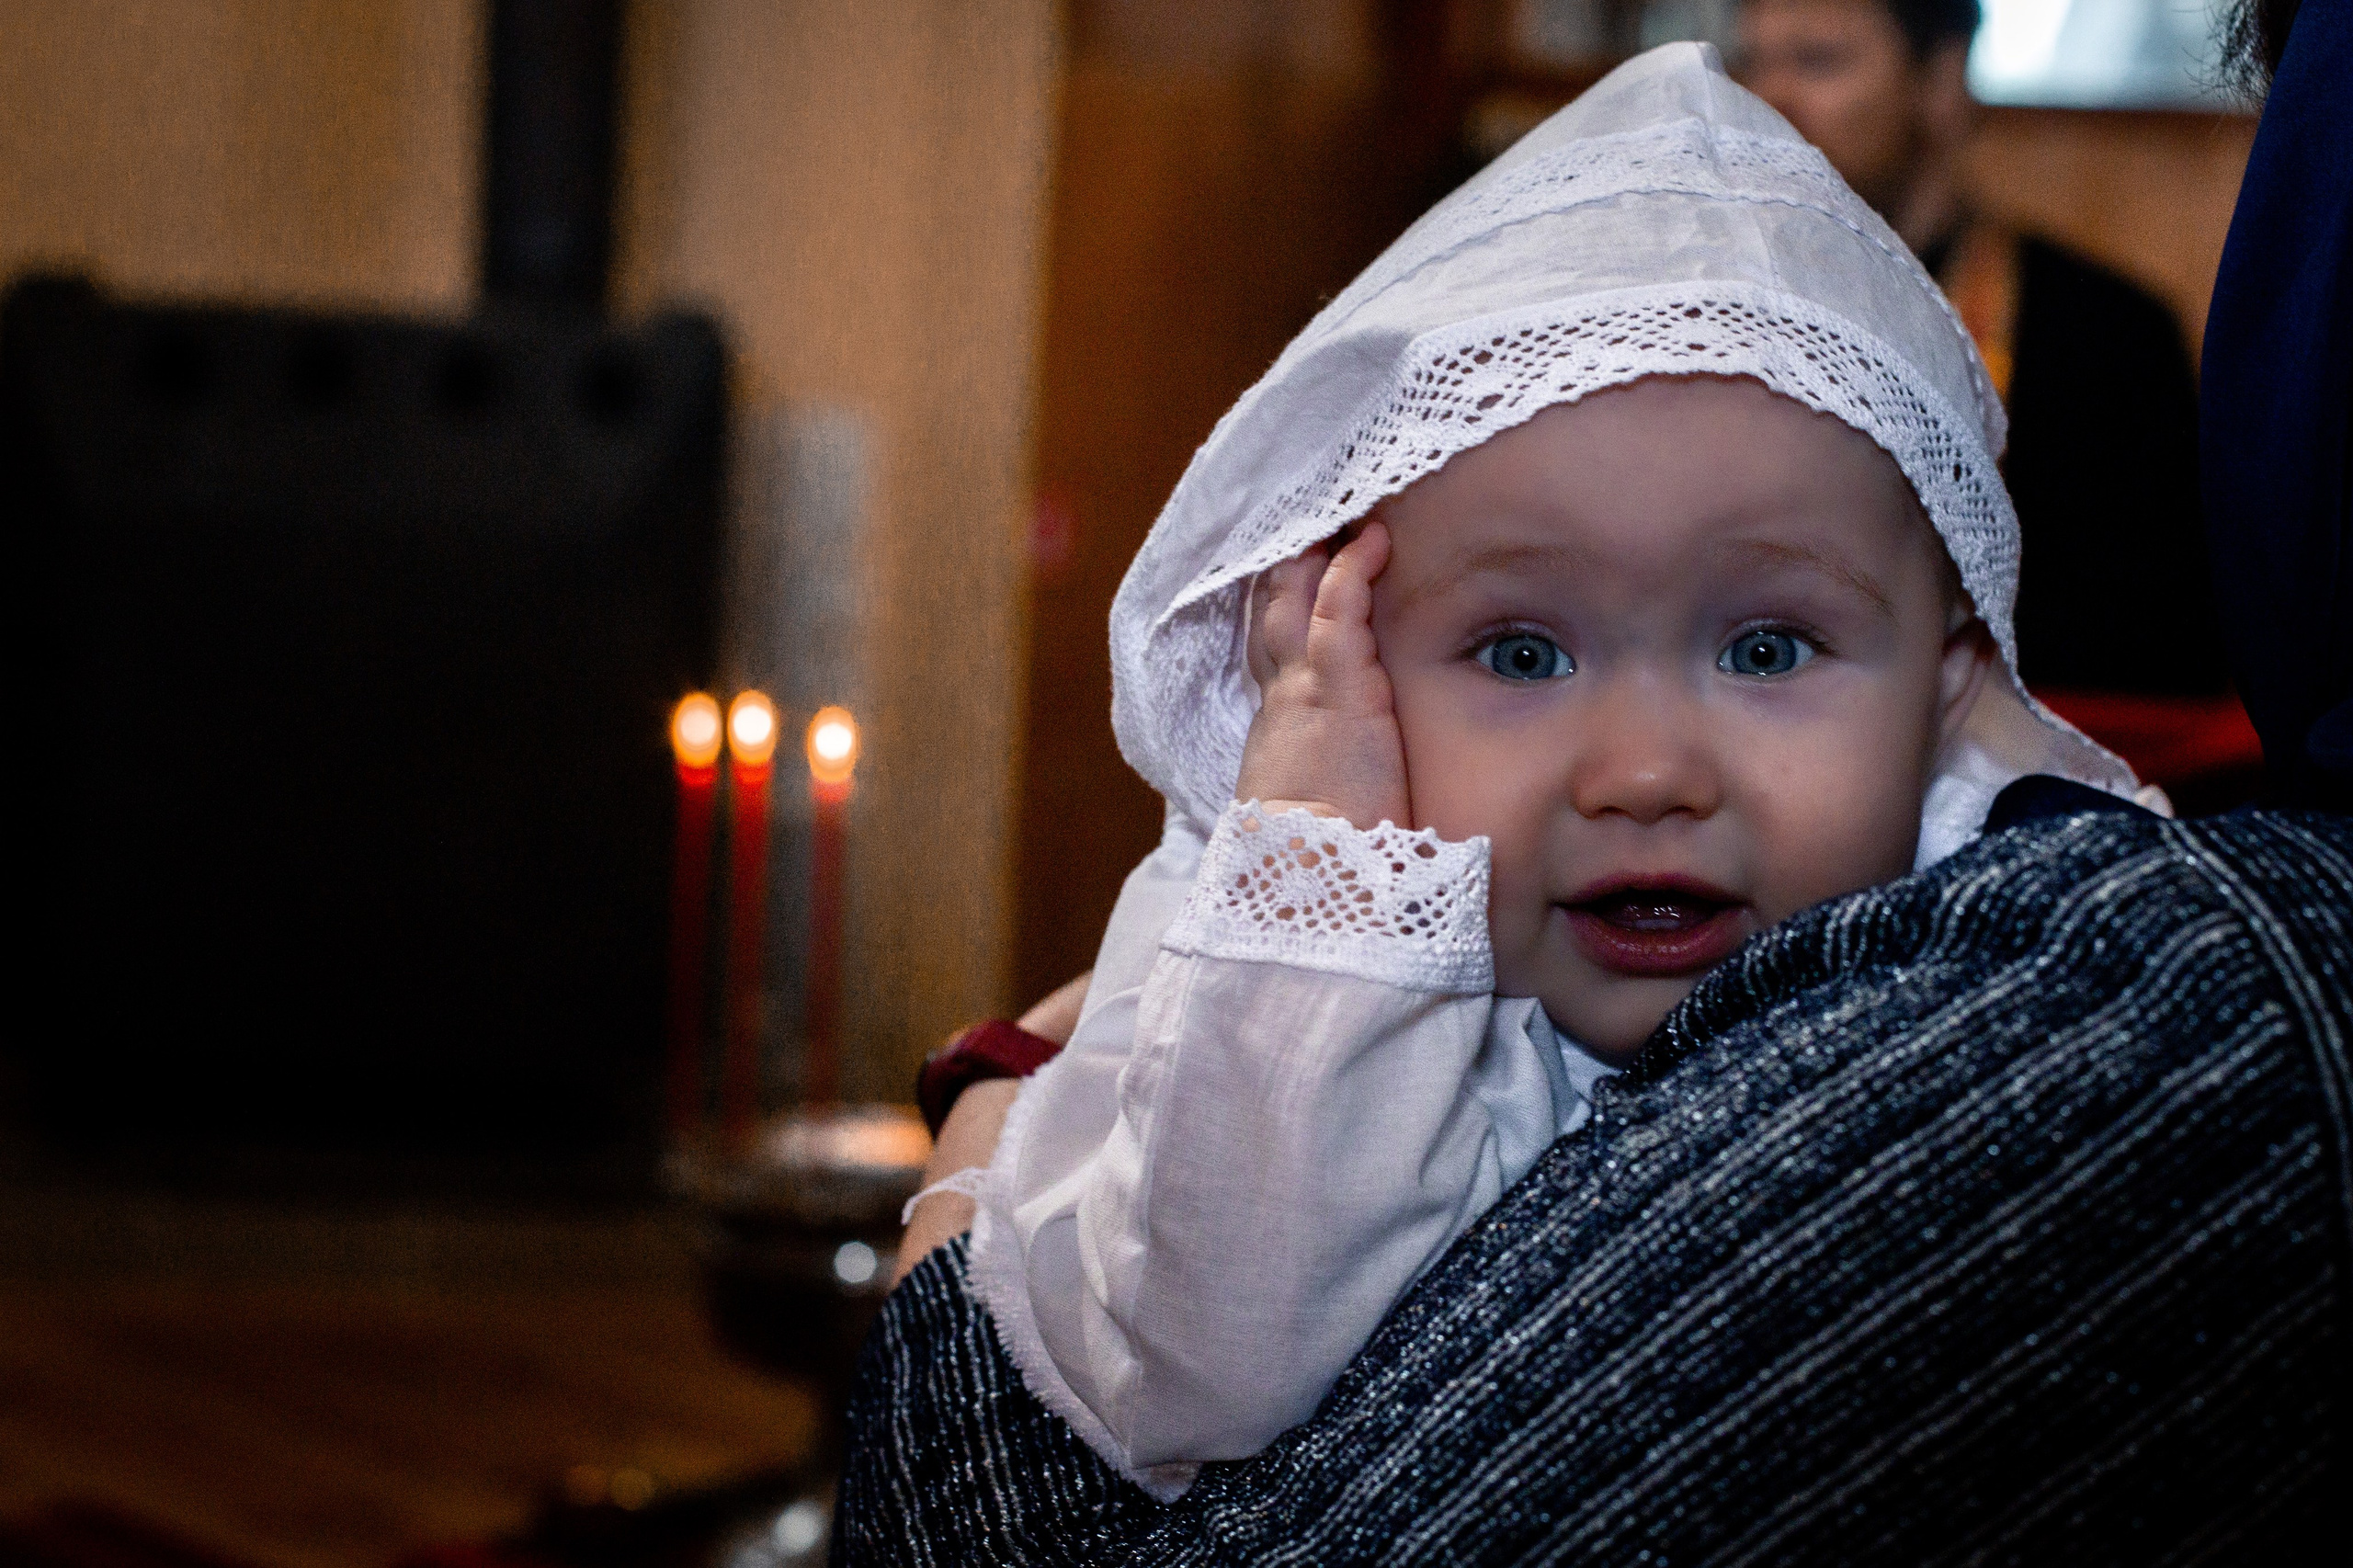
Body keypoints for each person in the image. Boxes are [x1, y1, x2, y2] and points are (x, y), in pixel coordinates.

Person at [843, 11, 2350, 1561]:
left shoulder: (2021, 995)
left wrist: (970, 1138)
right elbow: (1210, 1366)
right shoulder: (1315, 933)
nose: (1646, 773)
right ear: (1354, 670)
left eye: (1767, 647)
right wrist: (1318, 885)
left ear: (1953, 677)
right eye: (1521, 653)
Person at [1736, 0, 2222, 702]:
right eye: (1751, 62)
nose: (1767, 98)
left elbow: (2159, 646)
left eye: (1818, 61)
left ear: (1940, 84)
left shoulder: (2103, 333)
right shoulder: (1710, 316)